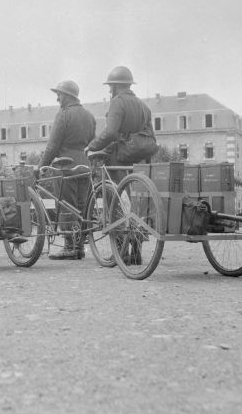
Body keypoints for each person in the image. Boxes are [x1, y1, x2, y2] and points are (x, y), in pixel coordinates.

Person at [86, 66, 157, 265]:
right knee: (136, 204)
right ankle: (136, 252)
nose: (110, 90)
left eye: (111, 87)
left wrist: (91, 147)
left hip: (119, 159)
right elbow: (151, 137)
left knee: (115, 203)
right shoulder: (144, 107)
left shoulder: (118, 103)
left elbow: (110, 133)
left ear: (117, 86)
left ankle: (121, 251)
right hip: (139, 161)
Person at [39, 80, 96, 260]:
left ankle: (70, 247)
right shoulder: (89, 116)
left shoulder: (63, 115)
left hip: (66, 166)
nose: (57, 98)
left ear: (67, 96)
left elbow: (52, 146)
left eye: (59, 94)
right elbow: (91, 142)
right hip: (85, 165)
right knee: (82, 206)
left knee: (66, 206)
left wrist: (41, 167)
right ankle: (79, 247)